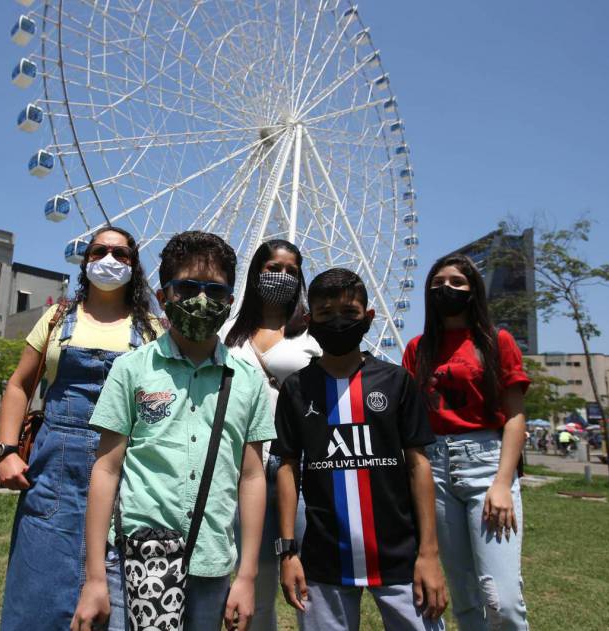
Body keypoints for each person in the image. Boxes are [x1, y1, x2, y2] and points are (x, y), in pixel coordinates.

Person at [71, 231, 275, 631]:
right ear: (162, 297)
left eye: (215, 292)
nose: (202, 300)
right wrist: (95, 576)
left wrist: (247, 576)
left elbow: (252, 477)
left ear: (231, 302)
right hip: (133, 559)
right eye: (187, 288)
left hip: (211, 562)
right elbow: (106, 470)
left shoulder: (247, 381)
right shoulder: (132, 369)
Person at [0, 226, 160, 629]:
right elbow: (18, 385)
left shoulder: (154, 331)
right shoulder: (56, 318)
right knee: (37, 594)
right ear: (85, 260)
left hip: (126, 473)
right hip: (53, 472)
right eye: (99, 251)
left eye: (120, 254)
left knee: (116, 595)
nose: (109, 259)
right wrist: (6, 450)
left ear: (134, 264)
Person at [273, 268, 447, 631]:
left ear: (368, 318)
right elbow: (288, 467)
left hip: (400, 555)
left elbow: (418, 466)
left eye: (350, 314)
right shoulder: (296, 389)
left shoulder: (396, 381)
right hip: (324, 558)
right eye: (326, 314)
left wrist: (429, 554)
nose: (338, 322)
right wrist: (288, 551)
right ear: (309, 320)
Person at [402, 254, 531, 630]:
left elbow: (515, 417)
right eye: (438, 282)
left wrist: (503, 483)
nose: (447, 289)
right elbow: (411, 421)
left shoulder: (496, 342)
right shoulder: (418, 349)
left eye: (457, 282)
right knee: (464, 597)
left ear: (473, 289)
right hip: (436, 468)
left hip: (486, 463)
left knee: (502, 599)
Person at [220, 239, 320, 631]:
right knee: (255, 578)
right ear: (255, 271)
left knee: (307, 580)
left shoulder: (312, 333)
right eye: (272, 268)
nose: (281, 277)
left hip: (299, 465)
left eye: (291, 271)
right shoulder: (228, 331)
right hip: (245, 465)